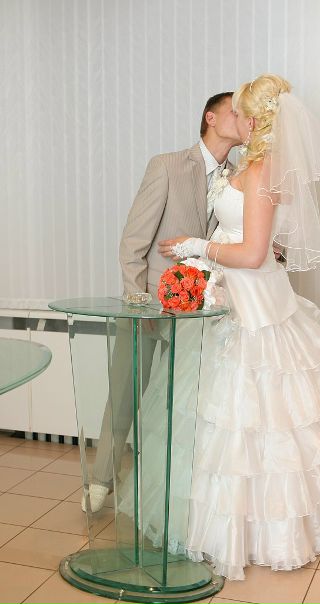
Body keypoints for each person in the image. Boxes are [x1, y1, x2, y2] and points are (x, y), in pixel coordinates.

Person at [158, 74, 320, 580]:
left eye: (241, 111)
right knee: (244, 417)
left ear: (257, 119)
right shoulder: (258, 167)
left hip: (254, 303)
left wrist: (196, 246)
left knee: (253, 415)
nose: (236, 118)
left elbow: (255, 254)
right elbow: (268, 243)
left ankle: (264, 533)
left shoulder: (260, 172)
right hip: (241, 295)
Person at [83, 92, 241, 512]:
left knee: (181, 403)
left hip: (202, 311)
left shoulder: (239, 178)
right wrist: (138, 302)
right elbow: (133, 242)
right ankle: (101, 479)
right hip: (150, 302)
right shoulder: (167, 165)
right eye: (235, 111)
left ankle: (160, 490)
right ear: (211, 117)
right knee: (125, 392)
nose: (244, 118)